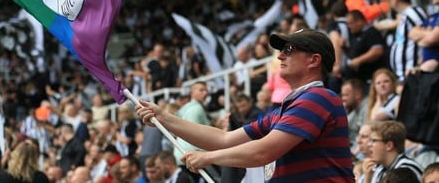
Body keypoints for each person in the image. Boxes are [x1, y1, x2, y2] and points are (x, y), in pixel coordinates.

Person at [135, 28, 354, 182]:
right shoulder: (286, 110)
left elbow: (263, 153)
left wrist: (207, 158)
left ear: (313, 60)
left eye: (289, 50)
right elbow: (223, 139)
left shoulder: (317, 98)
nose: (280, 56)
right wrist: (164, 117)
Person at [389, 0, 427, 82]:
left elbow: (425, 33)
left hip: (412, 72)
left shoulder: (413, 13)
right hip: (403, 75)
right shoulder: (405, 15)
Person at [173, 81, 210, 182]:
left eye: (206, 90)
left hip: (181, 154)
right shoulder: (196, 109)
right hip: (192, 155)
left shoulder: (186, 109)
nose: (205, 93)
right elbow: (195, 134)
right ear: (192, 92)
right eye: (201, 90)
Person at [342, 10, 386, 84]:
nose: (348, 27)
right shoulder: (356, 34)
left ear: (359, 21)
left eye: (350, 23)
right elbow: (355, 52)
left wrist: (358, 60)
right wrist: (344, 47)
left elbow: (377, 51)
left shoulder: (371, 32)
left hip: (369, 78)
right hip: (355, 78)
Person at [340, 78, 368, 151]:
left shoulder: (367, 107)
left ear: (358, 94)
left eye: (346, 95)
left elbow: (365, 137)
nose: (343, 99)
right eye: (342, 95)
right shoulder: (354, 110)